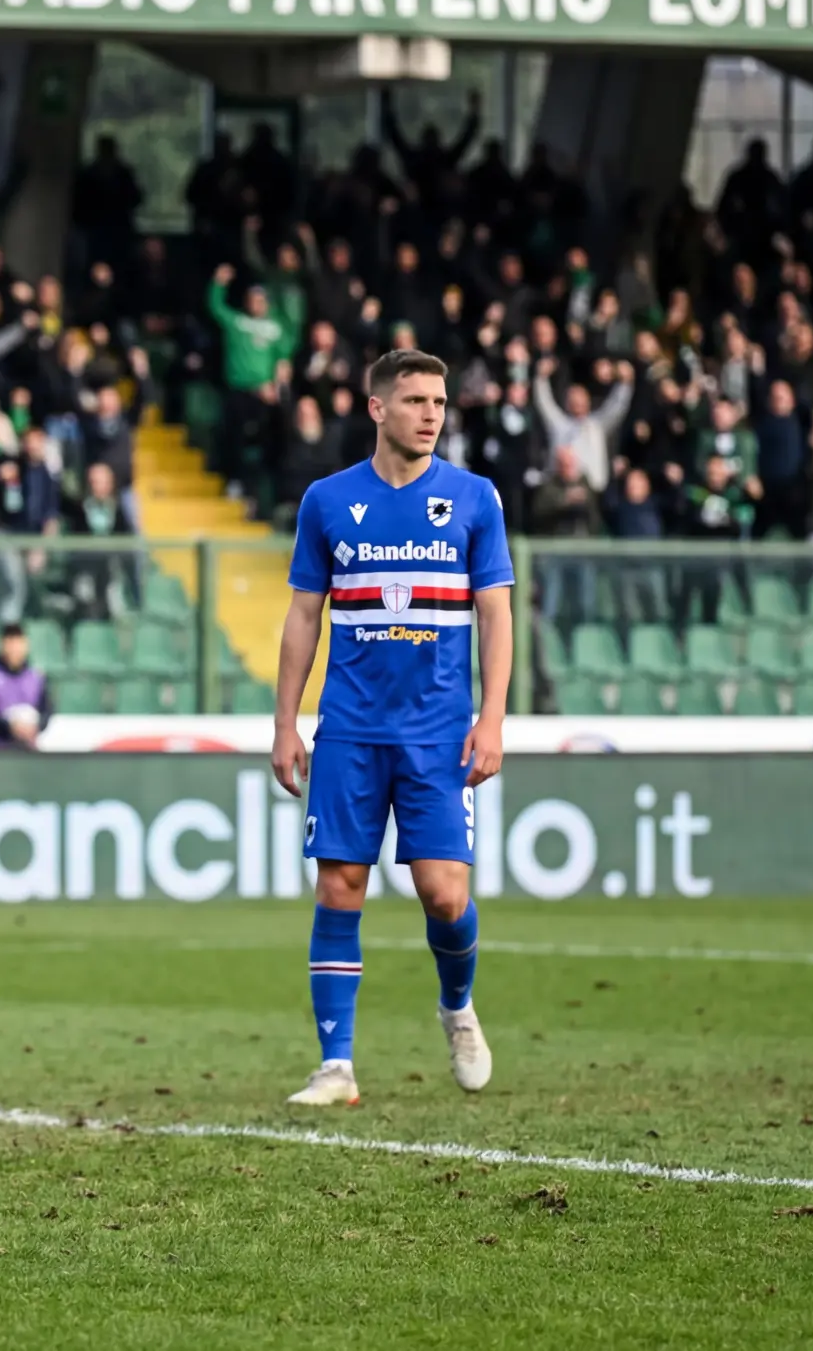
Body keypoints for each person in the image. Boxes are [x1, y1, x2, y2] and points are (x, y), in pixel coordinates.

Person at [271, 349, 513, 1109]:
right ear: (377, 408)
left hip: (439, 733)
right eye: (415, 400)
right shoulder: (328, 500)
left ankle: (457, 1006)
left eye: (439, 401)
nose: (432, 413)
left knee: (443, 894)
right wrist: (285, 722)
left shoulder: (475, 499)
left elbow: (497, 612)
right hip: (349, 729)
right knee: (341, 885)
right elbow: (303, 615)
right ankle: (335, 1066)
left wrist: (494, 716)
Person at [0, 621, 49, 749]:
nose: (14, 648)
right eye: (10, 642)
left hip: (28, 750)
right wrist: (10, 728)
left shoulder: (37, 676)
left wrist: (35, 727)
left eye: (18, 642)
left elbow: (46, 711)